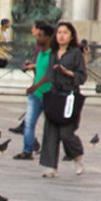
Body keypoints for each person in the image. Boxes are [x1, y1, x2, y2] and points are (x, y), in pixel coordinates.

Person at [39, 21, 87, 178]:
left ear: (71, 36)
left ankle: (77, 155)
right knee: (51, 129)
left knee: (66, 132)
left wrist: (68, 73)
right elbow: (49, 74)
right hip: (55, 94)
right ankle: (50, 166)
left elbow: (82, 76)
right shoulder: (53, 53)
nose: (61, 36)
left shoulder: (76, 53)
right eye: (59, 32)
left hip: (69, 95)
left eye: (65, 32)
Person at [14, 21, 54, 161]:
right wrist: (32, 67)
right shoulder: (41, 53)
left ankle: (49, 152)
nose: (37, 38)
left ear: (48, 38)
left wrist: (35, 87)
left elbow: (49, 74)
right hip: (36, 95)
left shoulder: (52, 54)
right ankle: (27, 150)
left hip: (48, 94)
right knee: (29, 123)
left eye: (40, 36)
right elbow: (40, 68)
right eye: (37, 35)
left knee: (50, 126)